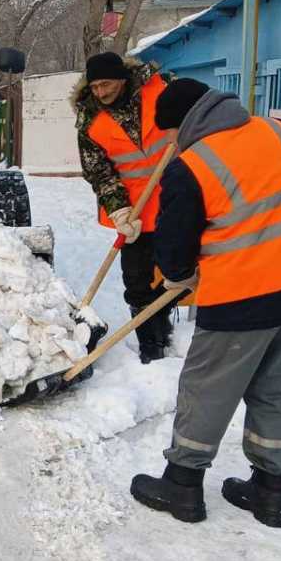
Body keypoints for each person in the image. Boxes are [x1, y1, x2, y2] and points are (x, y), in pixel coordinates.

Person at [130, 78, 281, 528]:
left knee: (206, 390)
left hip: (241, 301)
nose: (168, 142)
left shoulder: (192, 166)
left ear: (183, 124)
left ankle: (182, 485)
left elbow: (174, 252)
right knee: (277, 389)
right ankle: (270, 493)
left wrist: (185, 278)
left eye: (167, 133)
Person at [72, 52, 178, 363]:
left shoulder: (161, 91)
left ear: (122, 78)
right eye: (94, 87)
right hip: (135, 213)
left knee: (185, 273)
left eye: (106, 84)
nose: (101, 93)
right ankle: (151, 348)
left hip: (178, 202)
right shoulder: (90, 122)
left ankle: (161, 327)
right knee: (136, 282)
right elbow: (99, 171)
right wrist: (118, 210)